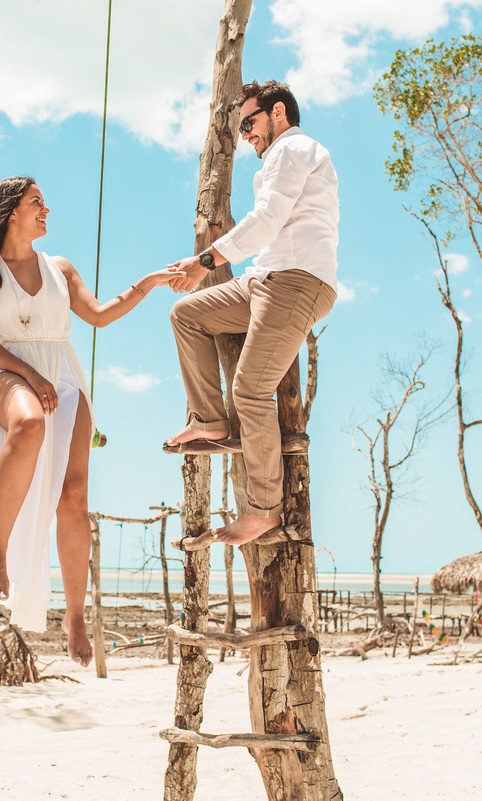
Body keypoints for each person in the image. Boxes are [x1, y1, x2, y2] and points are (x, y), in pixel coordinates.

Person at [0, 176, 171, 667]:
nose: (46, 209)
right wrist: (29, 374)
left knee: (75, 496)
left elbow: (100, 315)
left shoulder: (60, 268)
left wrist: (147, 285)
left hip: (63, 375)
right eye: (36, 202)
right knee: (29, 424)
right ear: (10, 210)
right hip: (4, 369)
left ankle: (75, 616)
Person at [164, 80, 340, 546]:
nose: (245, 135)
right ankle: (210, 420)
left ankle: (264, 511)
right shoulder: (282, 155)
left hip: (297, 279)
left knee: (251, 388)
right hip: (265, 278)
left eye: (249, 123)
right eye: (241, 127)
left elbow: (267, 220)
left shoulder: (294, 148)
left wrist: (206, 262)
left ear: (277, 113)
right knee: (187, 314)